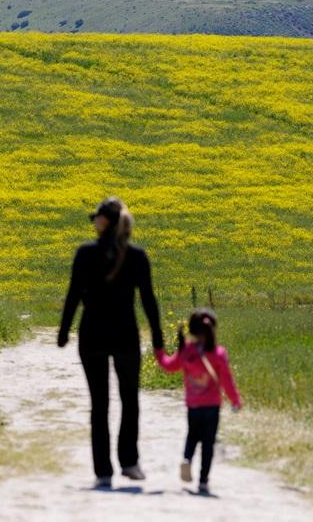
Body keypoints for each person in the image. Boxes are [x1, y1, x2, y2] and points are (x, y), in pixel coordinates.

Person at [58, 197, 164, 488]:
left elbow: (73, 295)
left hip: (92, 335)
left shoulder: (85, 254)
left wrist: (64, 331)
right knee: (130, 400)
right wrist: (157, 337)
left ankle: (103, 470)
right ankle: (129, 462)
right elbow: (148, 299)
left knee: (99, 404)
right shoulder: (137, 256)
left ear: (103, 222)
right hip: (125, 335)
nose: (93, 222)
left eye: (96, 218)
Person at [154, 308, 242, 494]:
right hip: (212, 406)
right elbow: (227, 380)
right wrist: (235, 400)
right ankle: (203, 480)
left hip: (193, 406)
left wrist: (159, 351)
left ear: (192, 330)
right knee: (208, 443)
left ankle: (187, 459)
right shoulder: (218, 353)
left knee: (192, 435)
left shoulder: (187, 351)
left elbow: (168, 365)